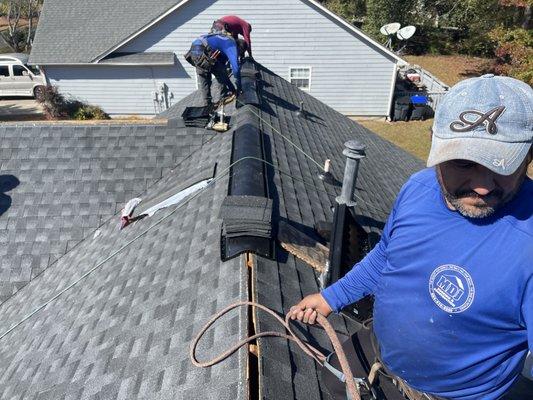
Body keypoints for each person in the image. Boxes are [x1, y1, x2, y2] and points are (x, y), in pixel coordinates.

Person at [289, 74, 533, 400]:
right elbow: (387, 254)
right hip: (382, 353)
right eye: (464, 162)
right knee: (333, 382)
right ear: (436, 143)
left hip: (452, 395)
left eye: (502, 166)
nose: (483, 186)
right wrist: (331, 298)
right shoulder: (419, 189)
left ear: (528, 156)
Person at [185, 33, 241, 107]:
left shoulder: (224, 37)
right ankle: (224, 96)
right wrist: (238, 87)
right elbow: (235, 69)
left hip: (194, 50)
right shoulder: (232, 45)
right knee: (220, 73)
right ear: (239, 47)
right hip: (203, 50)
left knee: (204, 76)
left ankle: (207, 104)